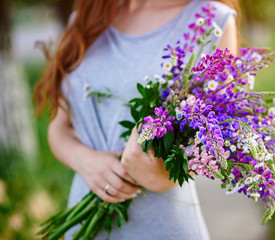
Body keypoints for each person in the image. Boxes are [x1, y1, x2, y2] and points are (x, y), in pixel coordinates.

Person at [34, 0, 240, 239]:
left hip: (161, 226)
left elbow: (215, 144)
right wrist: (85, 161)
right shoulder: (86, 19)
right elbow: (58, 128)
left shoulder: (214, 20)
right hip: (85, 225)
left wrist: (161, 176)